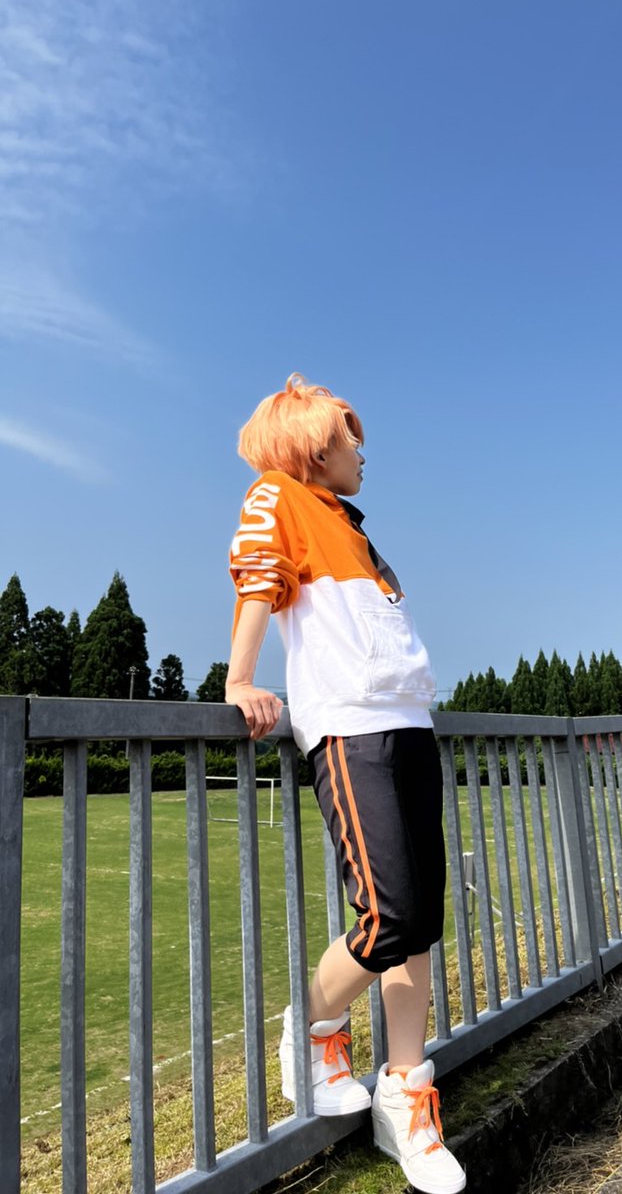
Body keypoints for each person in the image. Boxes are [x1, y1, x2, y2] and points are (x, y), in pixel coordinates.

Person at [224, 372, 466, 1194]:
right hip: (349, 728)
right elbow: (257, 576)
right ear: (312, 447)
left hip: (409, 724)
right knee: (389, 914)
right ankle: (314, 1027)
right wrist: (240, 679)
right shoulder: (278, 495)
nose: (362, 453)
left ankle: (405, 1098)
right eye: (349, 439)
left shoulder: (350, 526)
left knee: (420, 922)